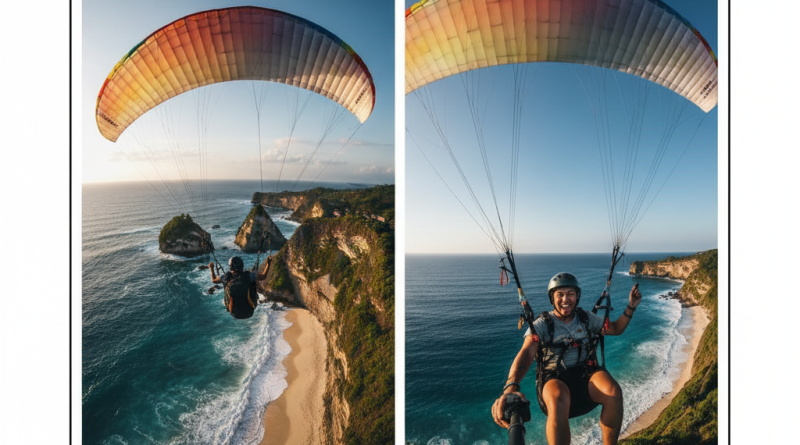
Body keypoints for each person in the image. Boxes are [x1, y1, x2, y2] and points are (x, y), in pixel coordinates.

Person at [491, 272, 642, 445]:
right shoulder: (543, 324)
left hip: (586, 373)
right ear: (552, 298)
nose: (565, 299)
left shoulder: (585, 318)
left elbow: (615, 329)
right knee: (558, 398)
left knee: (613, 392)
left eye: (570, 294)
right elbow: (527, 352)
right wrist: (512, 385)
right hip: (554, 377)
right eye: (560, 295)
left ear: (577, 296)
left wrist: (631, 306)